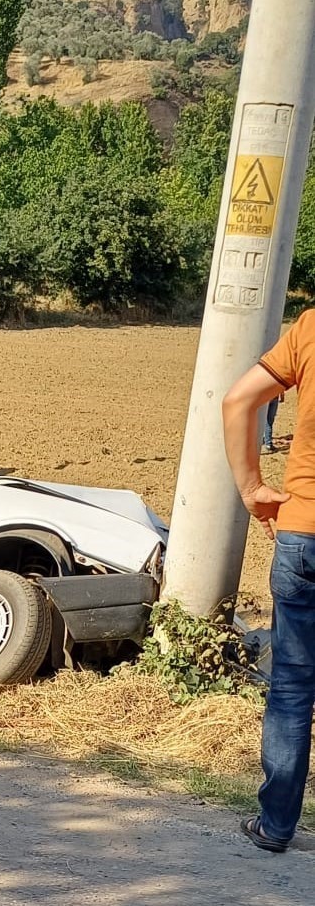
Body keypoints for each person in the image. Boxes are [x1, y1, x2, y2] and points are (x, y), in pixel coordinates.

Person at [222, 311, 315, 853]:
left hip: (303, 534)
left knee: (292, 689)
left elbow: (238, 400)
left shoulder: (308, 328)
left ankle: (276, 825)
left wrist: (253, 487)